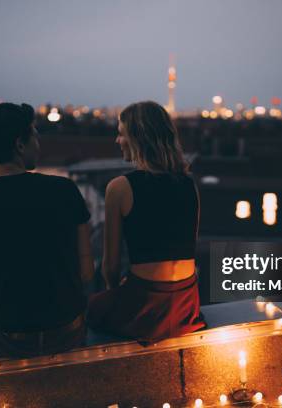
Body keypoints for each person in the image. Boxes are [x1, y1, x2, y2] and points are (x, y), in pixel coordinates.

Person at [0, 103, 94, 357]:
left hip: (11, 342)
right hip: (68, 333)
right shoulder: (65, 191)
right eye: (35, 134)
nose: (39, 142)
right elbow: (86, 273)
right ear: (19, 145)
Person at [87, 101, 206, 343]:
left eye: (121, 134)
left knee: (89, 313)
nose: (116, 141)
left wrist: (116, 292)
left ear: (138, 138)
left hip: (145, 303)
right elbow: (186, 245)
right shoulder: (188, 184)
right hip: (186, 301)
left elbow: (109, 267)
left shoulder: (119, 187)